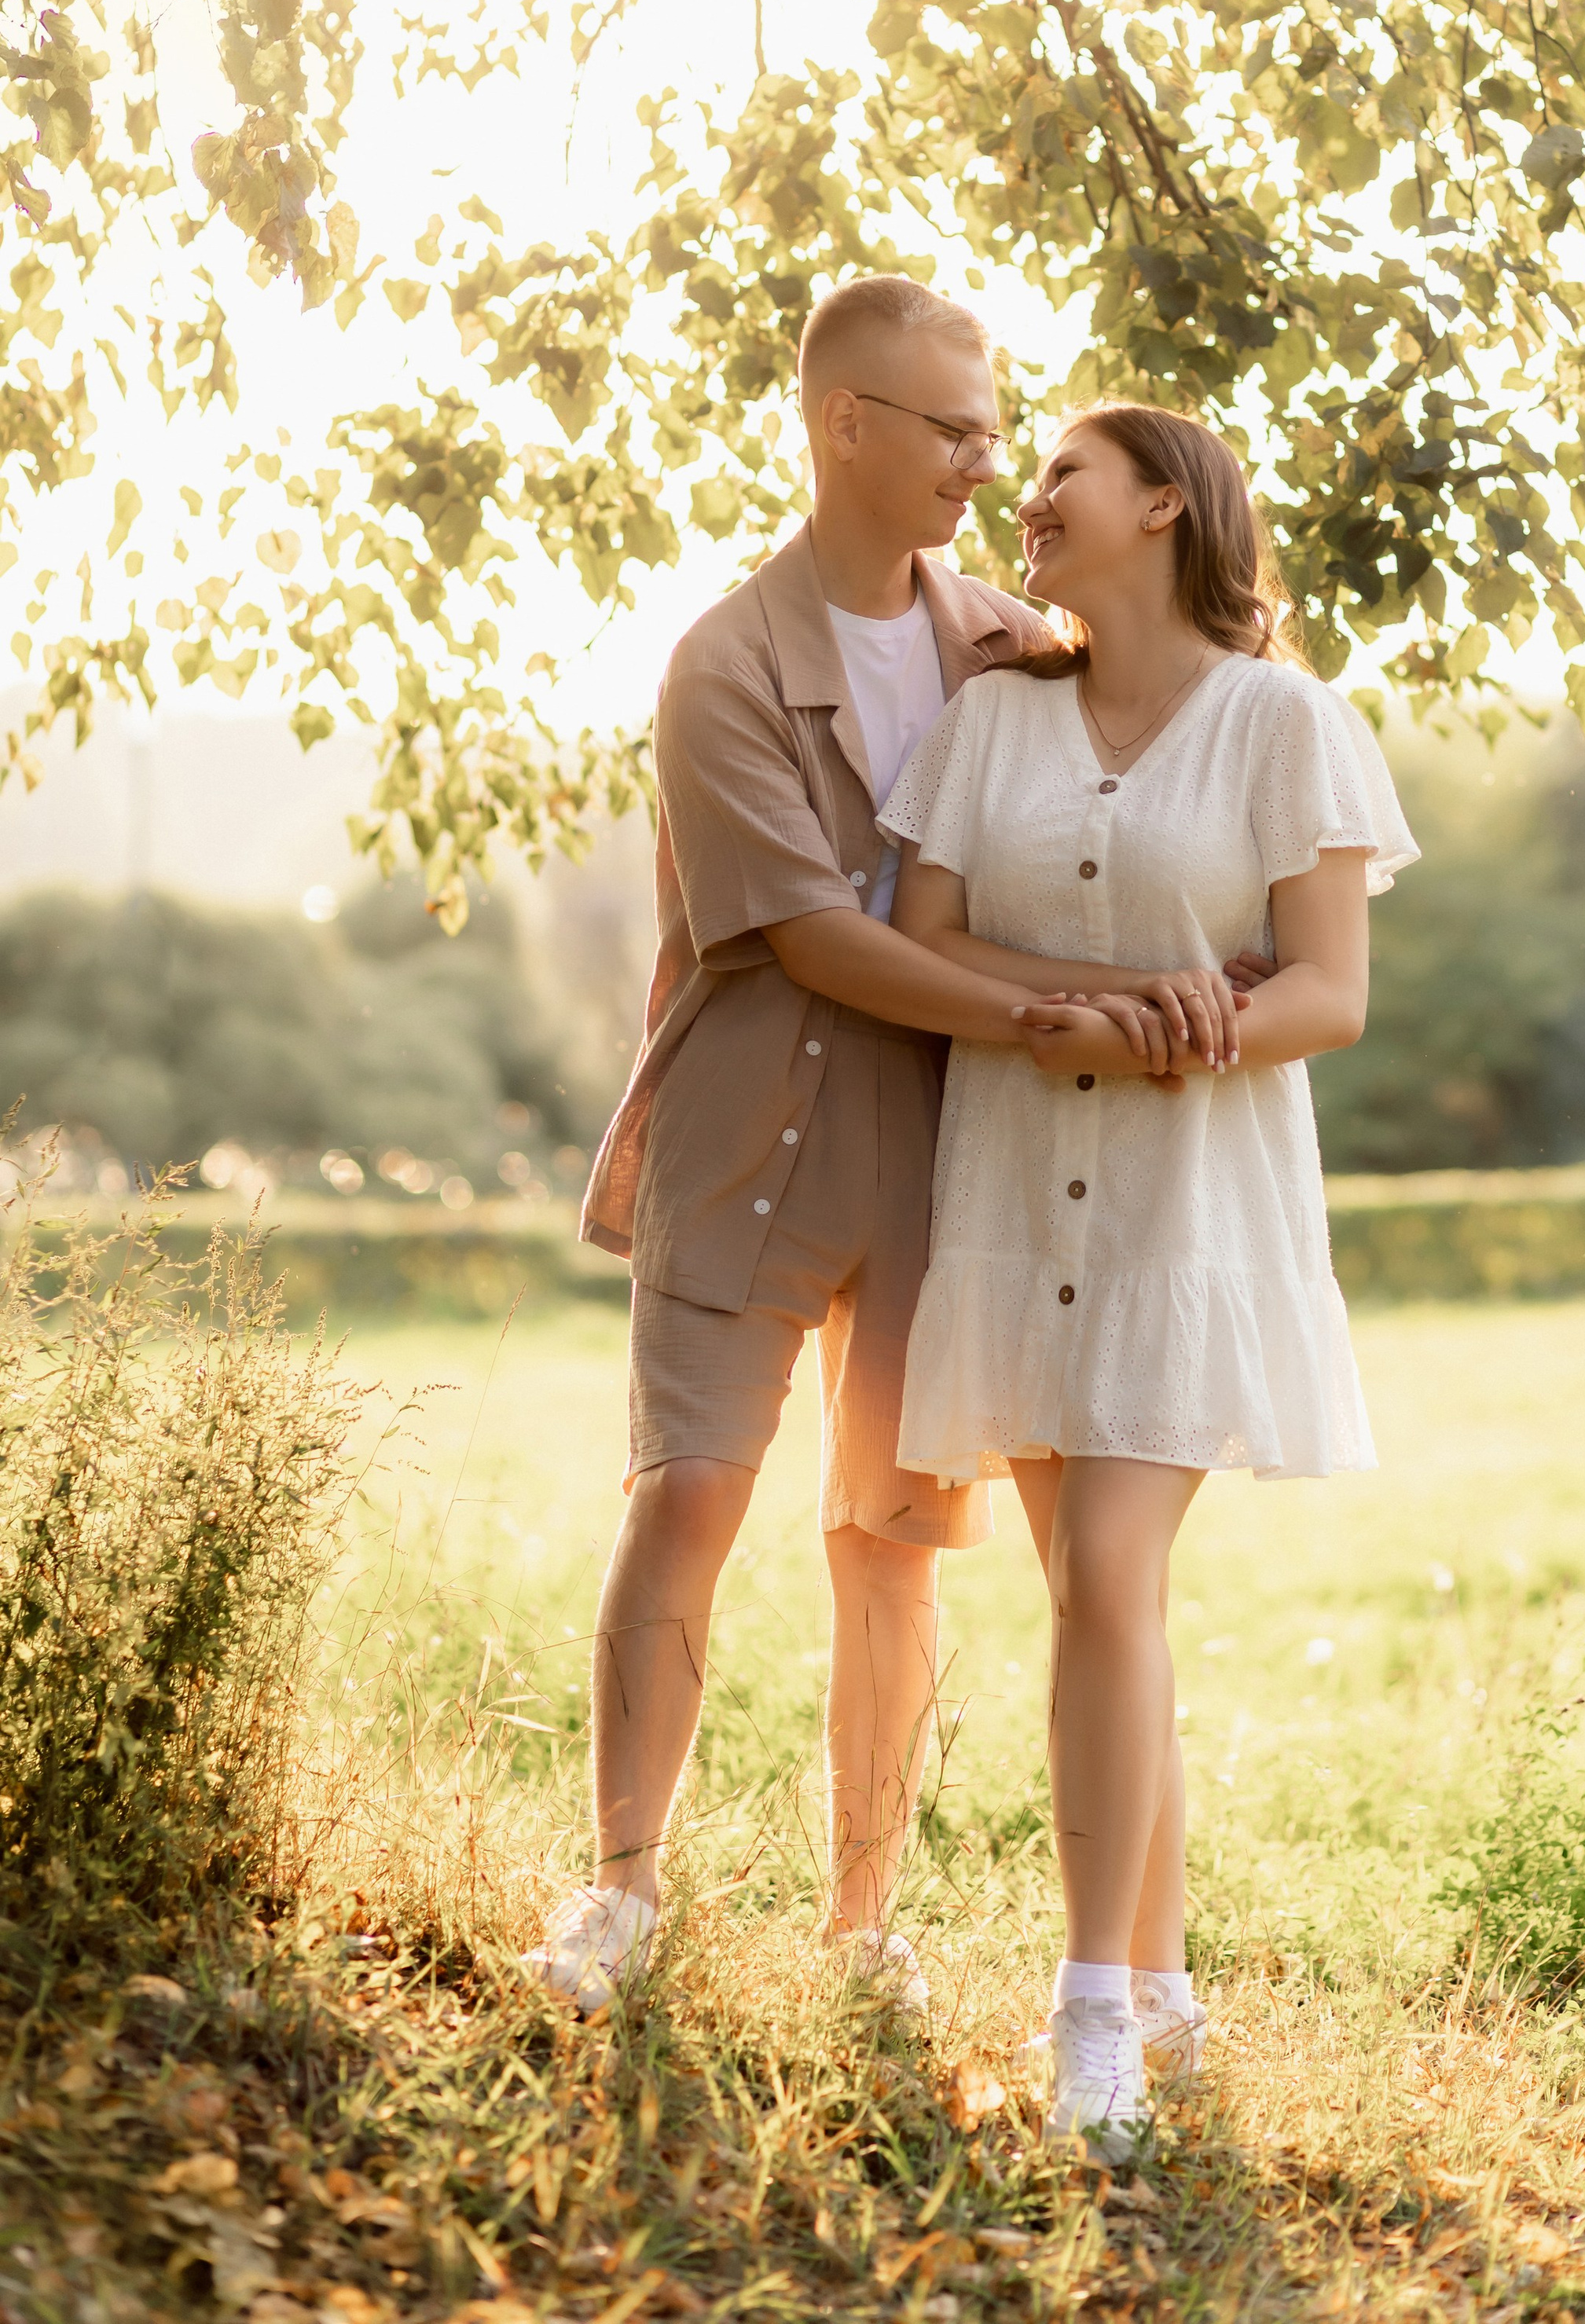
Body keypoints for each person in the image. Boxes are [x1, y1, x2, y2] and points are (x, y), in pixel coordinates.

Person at [877, 404, 1418, 2157]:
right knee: (1100, 1605)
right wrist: (1093, 1006)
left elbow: (1327, 993)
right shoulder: (985, 721)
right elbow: (931, 941)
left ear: (1163, 505)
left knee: (1106, 1579)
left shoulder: (1284, 721)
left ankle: (1090, 2011)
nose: (1020, 505)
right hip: (1021, 1197)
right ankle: (1167, 1984)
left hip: (1191, 1209)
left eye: (1057, 478)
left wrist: (1191, 1035)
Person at [523, 273, 1056, 2014]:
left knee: (892, 1536)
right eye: (953, 429)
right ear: (846, 424)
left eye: (993, 428)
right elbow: (812, 936)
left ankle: (860, 1928)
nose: (984, 461)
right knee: (684, 1490)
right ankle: (619, 1894)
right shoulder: (721, 662)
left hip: (939, 1144)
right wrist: (1051, 1014)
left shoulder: (1007, 641)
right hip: (747, 1121)